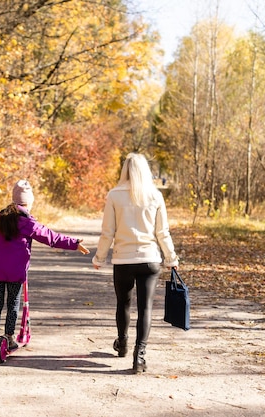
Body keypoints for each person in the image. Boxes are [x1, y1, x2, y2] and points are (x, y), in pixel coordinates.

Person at [91, 153, 179, 374]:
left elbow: (107, 232)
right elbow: (162, 232)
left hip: (123, 259)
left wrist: (99, 258)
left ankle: (122, 343)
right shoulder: (155, 195)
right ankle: (139, 357)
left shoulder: (114, 195)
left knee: (123, 303)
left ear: (125, 170)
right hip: (149, 259)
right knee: (145, 308)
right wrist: (171, 258)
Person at [0, 179, 90, 355]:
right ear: (29, 202)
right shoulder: (28, 223)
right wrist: (74, 244)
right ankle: (9, 337)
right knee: (12, 304)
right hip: (15, 273)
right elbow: (52, 238)